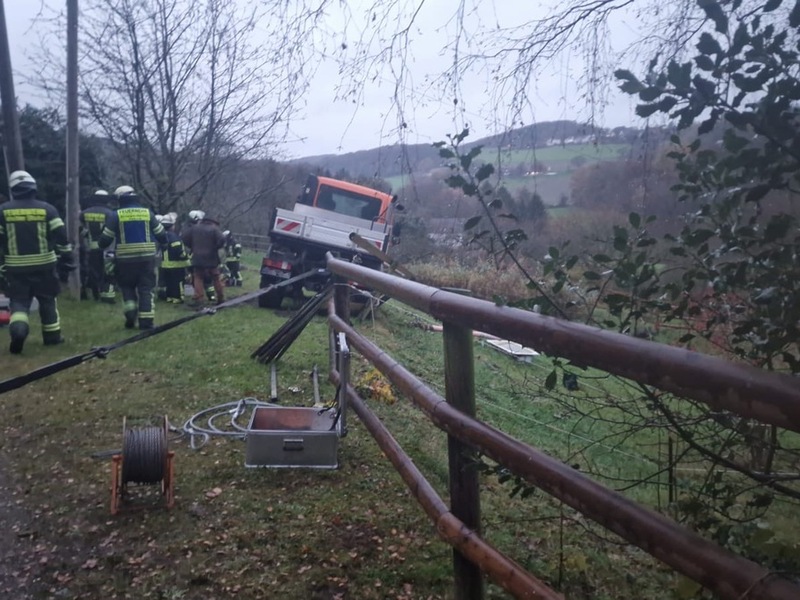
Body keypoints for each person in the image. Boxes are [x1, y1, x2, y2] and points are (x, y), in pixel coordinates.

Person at [0, 170, 75, 354]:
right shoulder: (47, 209)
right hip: (45, 267)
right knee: (48, 301)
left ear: (13, 189)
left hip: (15, 269)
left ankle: (18, 330)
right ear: (33, 188)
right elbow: (61, 236)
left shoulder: (2, 211)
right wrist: (67, 257)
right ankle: (52, 337)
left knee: (19, 303)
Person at [98, 186, 167, 330]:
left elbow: (104, 240)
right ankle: (146, 322)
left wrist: (101, 244)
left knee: (127, 287)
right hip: (147, 260)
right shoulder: (147, 213)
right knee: (146, 289)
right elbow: (161, 234)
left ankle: (130, 313)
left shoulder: (116, 215)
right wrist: (164, 244)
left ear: (119, 199)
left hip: (125, 261)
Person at [181, 213, 225, 306]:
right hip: (212, 258)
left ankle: (199, 299)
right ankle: (220, 298)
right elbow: (222, 239)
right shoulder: (214, 229)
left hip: (198, 258)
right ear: (213, 222)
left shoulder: (194, 228)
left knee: (198, 277)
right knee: (216, 278)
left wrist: (192, 246)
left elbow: (184, 237)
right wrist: (216, 247)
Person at [79, 189, 114, 302]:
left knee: (92, 271)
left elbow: (80, 229)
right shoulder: (110, 213)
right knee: (106, 271)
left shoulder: (84, 213)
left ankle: (93, 292)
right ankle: (104, 292)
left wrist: (85, 236)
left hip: (89, 247)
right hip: (106, 248)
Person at [159, 213, 190, 303]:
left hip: (165, 264)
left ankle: (170, 297)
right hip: (176, 265)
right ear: (171, 226)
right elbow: (179, 250)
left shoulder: (162, 236)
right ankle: (178, 297)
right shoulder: (174, 237)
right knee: (178, 282)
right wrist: (185, 257)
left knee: (169, 282)